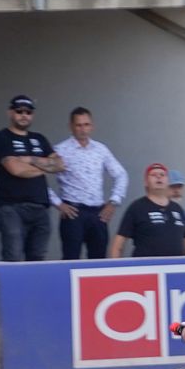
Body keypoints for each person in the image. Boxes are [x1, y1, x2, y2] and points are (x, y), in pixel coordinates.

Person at [0, 92, 62, 260]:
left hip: (41, 208)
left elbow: (59, 165)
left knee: (38, 258)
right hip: (12, 207)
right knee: (14, 256)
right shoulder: (2, 137)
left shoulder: (39, 139)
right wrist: (45, 167)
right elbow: (15, 169)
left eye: (28, 112)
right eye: (19, 111)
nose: (24, 115)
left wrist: (30, 159)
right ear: (10, 112)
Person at [54, 105, 127, 259]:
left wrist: (114, 201)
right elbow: (38, 178)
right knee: (70, 260)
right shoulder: (60, 150)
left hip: (98, 213)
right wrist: (57, 203)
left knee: (98, 261)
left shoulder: (101, 149)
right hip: (73, 212)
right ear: (71, 126)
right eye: (78, 125)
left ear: (92, 126)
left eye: (86, 124)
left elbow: (121, 174)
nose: (83, 129)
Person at [110, 162, 185, 256]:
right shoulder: (137, 207)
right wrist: (115, 263)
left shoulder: (177, 209)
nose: (159, 177)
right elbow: (118, 244)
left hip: (174, 264)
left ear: (167, 181)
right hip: (146, 264)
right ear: (146, 182)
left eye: (162, 175)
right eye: (154, 175)